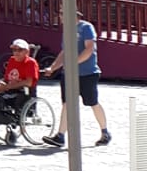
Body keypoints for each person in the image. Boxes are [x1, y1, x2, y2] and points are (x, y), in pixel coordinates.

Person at [40, 18, 110, 147]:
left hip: (87, 73)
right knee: (67, 103)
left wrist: (74, 62)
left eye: (62, 13)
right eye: (60, 14)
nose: (61, 16)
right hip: (68, 74)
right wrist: (53, 67)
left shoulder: (86, 27)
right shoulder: (67, 30)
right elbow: (64, 52)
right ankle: (60, 136)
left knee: (92, 103)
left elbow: (89, 49)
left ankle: (105, 132)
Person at [0, 37, 40, 139]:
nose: (16, 52)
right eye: (14, 50)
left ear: (26, 51)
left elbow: (29, 82)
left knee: (1, 98)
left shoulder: (31, 63)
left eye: (19, 50)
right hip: (11, 90)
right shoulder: (12, 60)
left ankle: (7, 122)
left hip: (24, 93)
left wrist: (7, 86)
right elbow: (7, 78)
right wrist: (2, 84)